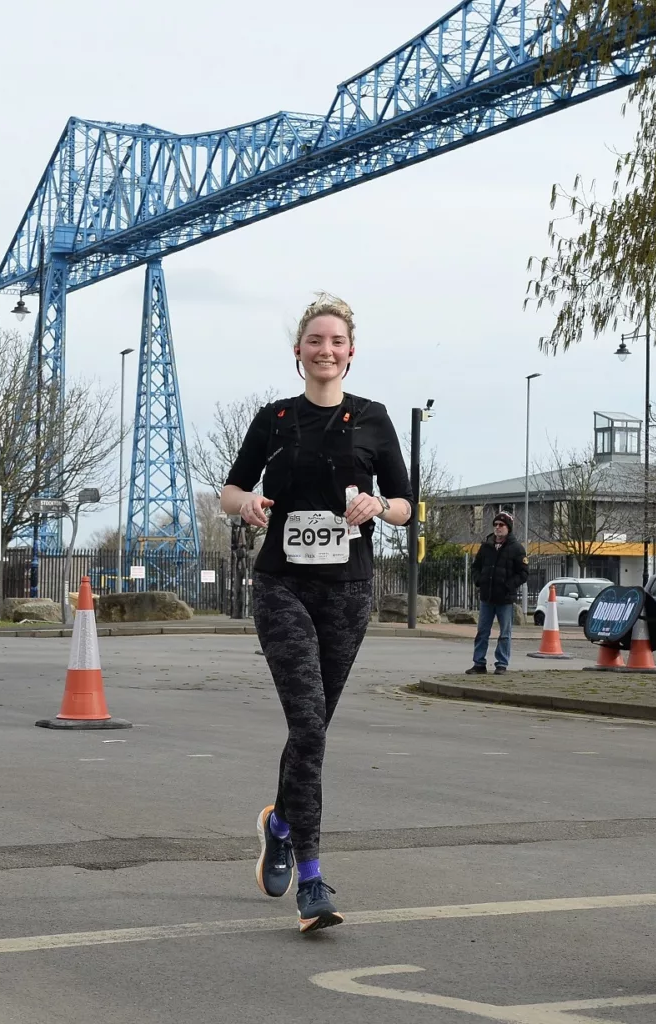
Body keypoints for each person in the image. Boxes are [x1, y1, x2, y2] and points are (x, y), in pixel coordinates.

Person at [221, 293, 413, 933]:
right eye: (314, 341)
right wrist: (245, 504)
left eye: (336, 342)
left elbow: (408, 504)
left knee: (315, 728)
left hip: (348, 592)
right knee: (307, 727)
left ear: (351, 353)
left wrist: (378, 509)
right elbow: (230, 489)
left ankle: (279, 823)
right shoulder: (275, 418)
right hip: (282, 586)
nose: (325, 350)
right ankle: (312, 878)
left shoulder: (375, 420)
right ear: (298, 352)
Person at [466, 510, 528, 675]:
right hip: (487, 597)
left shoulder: (516, 549)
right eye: (495, 525)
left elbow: (523, 573)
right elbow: (476, 567)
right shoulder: (486, 547)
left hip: (505, 599)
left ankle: (502, 664)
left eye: (501, 525)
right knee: (482, 632)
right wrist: (479, 580)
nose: (498, 528)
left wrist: (508, 585)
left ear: (508, 528)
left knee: (505, 633)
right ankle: (479, 663)